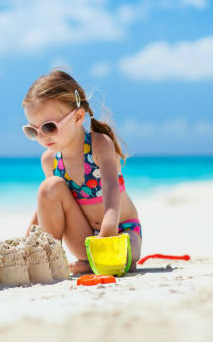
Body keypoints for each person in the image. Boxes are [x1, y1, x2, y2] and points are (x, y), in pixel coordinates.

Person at [22, 70, 141, 274]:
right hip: (84, 239)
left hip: (121, 230)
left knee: (120, 262)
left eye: (49, 127)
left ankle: (94, 264)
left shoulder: (99, 146)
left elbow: (111, 188)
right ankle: (49, 259)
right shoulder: (50, 160)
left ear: (78, 117)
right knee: (49, 187)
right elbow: (44, 205)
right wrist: (26, 242)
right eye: (33, 131)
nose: (42, 137)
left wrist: (109, 228)